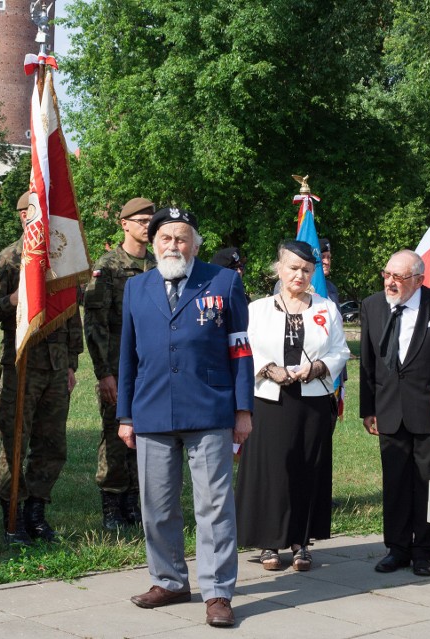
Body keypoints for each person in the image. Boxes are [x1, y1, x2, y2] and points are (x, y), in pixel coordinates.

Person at [117, 207, 254, 628]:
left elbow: (241, 351)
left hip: (209, 408)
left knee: (213, 507)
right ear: (153, 243)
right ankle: (170, 580)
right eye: (165, 238)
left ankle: (217, 592)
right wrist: (125, 415)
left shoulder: (224, 281)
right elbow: (127, 356)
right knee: (156, 505)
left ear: (195, 243)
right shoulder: (136, 288)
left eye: (181, 238)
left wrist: (243, 409)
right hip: (152, 409)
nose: (173, 245)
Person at [360, 250, 430, 577]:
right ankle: (396, 548)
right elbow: (368, 362)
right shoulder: (372, 305)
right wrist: (368, 409)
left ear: (419, 280)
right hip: (389, 409)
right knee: (395, 481)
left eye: (399, 277)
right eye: (387, 274)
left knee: (429, 479)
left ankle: (424, 550)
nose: (390, 282)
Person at [236, 240, 350, 572]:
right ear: (279, 269)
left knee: (307, 469)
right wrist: (271, 369)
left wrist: (315, 368)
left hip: (312, 400)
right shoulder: (257, 308)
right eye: (292, 268)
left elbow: (340, 351)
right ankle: (269, 542)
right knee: (272, 470)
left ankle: (302, 542)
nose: (299, 276)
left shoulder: (326, 309)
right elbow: (245, 347)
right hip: (270, 400)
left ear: (314, 273)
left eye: (306, 270)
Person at [0, 191, 84, 544]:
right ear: (21, 217)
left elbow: (72, 312)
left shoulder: (62, 258)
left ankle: (37, 513)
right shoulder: (11, 261)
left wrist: (72, 363)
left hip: (57, 367)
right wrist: (17, 298)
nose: (41, 219)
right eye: (34, 213)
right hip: (21, 364)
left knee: (52, 443)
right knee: (14, 440)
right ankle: (12, 514)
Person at [84, 197, 156, 530]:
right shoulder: (109, 266)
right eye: (141, 220)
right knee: (117, 433)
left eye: (150, 220)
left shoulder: (159, 266)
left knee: (148, 433)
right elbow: (95, 322)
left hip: (152, 366)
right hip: (117, 363)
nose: (147, 225)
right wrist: (104, 373)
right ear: (124, 224)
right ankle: (112, 502)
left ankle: (135, 502)